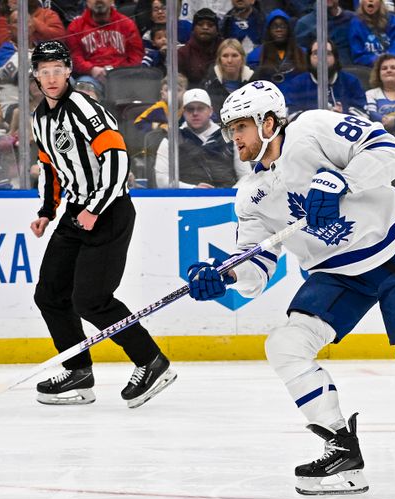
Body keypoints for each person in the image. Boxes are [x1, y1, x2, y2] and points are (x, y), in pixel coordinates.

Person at [185, 80, 395, 495]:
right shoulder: (250, 195)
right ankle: (342, 449)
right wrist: (225, 275)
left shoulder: (313, 129)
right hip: (336, 274)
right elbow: (256, 269)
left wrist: (342, 181)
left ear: (268, 123)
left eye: (240, 127)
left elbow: (388, 151)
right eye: (230, 130)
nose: (234, 138)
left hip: (393, 252)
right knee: (284, 346)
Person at [28, 41, 176, 407]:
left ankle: (152, 361)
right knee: (50, 295)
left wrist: (94, 208)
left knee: (91, 300)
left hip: (108, 211)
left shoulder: (83, 108)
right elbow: (50, 166)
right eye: (43, 71)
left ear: (67, 72)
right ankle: (78, 373)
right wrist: (47, 210)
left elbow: (116, 160)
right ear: (35, 75)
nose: (50, 78)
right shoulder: (40, 118)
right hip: (75, 213)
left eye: (56, 70)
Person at [153, 88, 240, 188]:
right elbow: (161, 181)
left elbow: (246, 176)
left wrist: (228, 193)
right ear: (183, 112)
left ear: (210, 111)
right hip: (185, 201)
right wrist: (193, 189)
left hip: (230, 201)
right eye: (190, 109)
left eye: (200, 108)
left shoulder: (231, 138)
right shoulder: (170, 141)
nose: (195, 113)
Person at [66, 0, 145, 83]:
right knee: (85, 87)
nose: (98, 1)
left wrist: (121, 71)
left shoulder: (127, 24)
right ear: (87, 2)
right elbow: (75, 57)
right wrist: (91, 69)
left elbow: (136, 55)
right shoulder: (75, 27)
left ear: (112, 1)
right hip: (90, 77)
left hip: (123, 76)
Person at [285, 39, 366, 117]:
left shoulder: (351, 81)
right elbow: (291, 115)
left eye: (327, 53)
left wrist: (341, 116)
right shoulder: (297, 84)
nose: (322, 58)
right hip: (310, 130)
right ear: (309, 58)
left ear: (336, 58)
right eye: (316, 53)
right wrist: (319, 118)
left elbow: (362, 113)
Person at [247, 9, 307, 87]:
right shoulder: (255, 56)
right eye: (275, 26)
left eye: (283, 26)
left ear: (289, 30)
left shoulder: (303, 54)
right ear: (268, 30)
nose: (279, 30)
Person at [203, 38, 255, 113]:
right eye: (225, 56)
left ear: (242, 58)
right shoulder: (209, 83)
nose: (229, 60)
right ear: (219, 59)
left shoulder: (253, 83)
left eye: (234, 55)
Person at [348, 0, 395, 67]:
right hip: (366, 67)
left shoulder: (392, 19)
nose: (370, 1)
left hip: (391, 62)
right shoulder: (355, 22)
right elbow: (357, 54)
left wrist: (390, 58)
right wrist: (375, 59)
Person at [178, 7, 223, 87]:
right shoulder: (183, 53)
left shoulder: (225, 50)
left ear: (217, 30)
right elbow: (179, 85)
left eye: (210, 25)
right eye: (200, 24)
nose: (205, 27)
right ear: (193, 29)